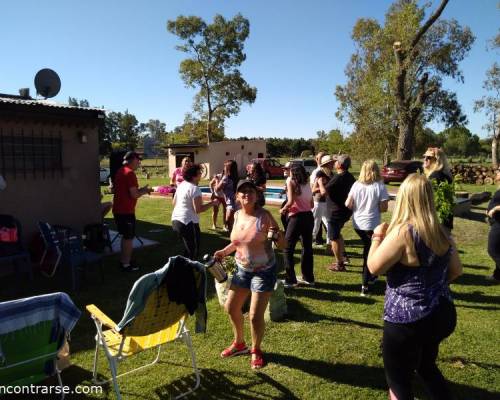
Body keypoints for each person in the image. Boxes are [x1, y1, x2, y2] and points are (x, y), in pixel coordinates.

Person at [367, 173, 463, 400]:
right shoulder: (443, 232)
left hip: (407, 320)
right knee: (426, 365)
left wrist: (376, 238)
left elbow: (373, 267)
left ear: (404, 198)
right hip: (441, 314)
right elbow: (457, 270)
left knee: (398, 381)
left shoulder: (404, 232)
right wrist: (433, 285)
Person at [214, 180, 283, 369]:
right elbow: (237, 242)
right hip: (242, 270)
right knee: (231, 307)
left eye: (251, 191)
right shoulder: (236, 215)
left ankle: (256, 350)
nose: (247, 194)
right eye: (242, 191)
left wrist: (278, 236)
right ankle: (239, 343)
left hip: (263, 272)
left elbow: (282, 245)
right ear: (237, 197)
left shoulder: (265, 216)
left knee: (254, 315)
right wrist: (223, 252)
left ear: (256, 195)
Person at [345, 160, 389, 296]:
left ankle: (371, 276)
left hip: (358, 224)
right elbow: (384, 208)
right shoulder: (379, 186)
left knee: (369, 249)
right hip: (371, 224)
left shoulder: (356, 185)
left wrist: (360, 206)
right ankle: (365, 285)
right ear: (376, 170)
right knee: (368, 253)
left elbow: (348, 204)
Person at [112, 151, 153, 272]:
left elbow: (129, 191)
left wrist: (142, 189)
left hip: (119, 210)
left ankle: (124, 260)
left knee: (125, 237)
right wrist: (146, 191)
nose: (139, 162)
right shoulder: (129, 174)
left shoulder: (121, 171)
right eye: (137, 160)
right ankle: (126, 264)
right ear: (131, 160)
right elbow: (134, 195)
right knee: (128, 238)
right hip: (125, 212)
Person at [172, 164, 219, 260]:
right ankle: (189, 273)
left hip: (176, 221)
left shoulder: (182, 185)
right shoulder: (194, 188)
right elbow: (198, 209)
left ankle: (184, 269)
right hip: (188, 222)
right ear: (194, 175)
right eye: (199, 173)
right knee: (193, 252)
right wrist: (213, 203)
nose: (201, 174)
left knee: (188, 249)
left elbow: (174, 203)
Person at [280, 164, 314, 287]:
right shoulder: (307, 183)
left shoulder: (290, 181)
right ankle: (309, 278)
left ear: (292, 172)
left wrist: (283, 209)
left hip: (296, 218)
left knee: (288, 248)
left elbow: (290, 201)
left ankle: (290, 280)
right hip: (309, 217)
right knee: (307, 248)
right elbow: (312, 205)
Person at [320, 154, 355, 272]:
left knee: (333, 238)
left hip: (335, 213)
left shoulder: (338, 177)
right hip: (345, 212)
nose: (334, 163)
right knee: (337, 234)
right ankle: (343, 257)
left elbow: (324, 192)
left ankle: (339, 264)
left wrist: (320, 183)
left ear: (339, 165)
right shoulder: (350, 177)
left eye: (335, 162)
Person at [423, 147, 454, 231]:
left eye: (429, 157)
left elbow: (431, 201)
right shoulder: (446, 174)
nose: (425, 159)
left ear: (437, 160)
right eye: (424, 156)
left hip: (436, 222)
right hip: (445, 219)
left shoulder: (435, 176)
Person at [311, 155, 335, 247]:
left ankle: (329, 244)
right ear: (327, 164)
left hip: (327, 202)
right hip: (319, 202)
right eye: (331, 163)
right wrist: (323, 187)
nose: (333, 164)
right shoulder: (320, 174)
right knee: (316, 224)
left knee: (329, 223)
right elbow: (313, 190)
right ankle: (309, 242)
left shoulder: (331, 174)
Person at [215, 160, 239, 232]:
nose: (224, 168)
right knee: (234, 220)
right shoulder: (236, 177)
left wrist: (216, 180)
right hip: (237, 201)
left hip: (231, 202)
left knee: (228, 221)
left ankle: (232, 237)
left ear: (228, 168)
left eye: (225, 166)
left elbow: (217, 189)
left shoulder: (226, 177)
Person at [486, 170, 500, 282]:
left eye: (499, 171)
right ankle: (497, 276)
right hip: (496, 222)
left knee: (493, 250)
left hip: (499, 224)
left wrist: (495, 208)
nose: (497, 172)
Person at [310, 151, 326, 244]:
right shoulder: (316, 172)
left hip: (324, 201)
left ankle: (318, 239)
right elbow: (313, 188)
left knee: (322, 222)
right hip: (318, 200)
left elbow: (313, 188)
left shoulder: (325, 171)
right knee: (318, 222)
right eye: (320, 157)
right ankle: (316, 239)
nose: (321, 159)